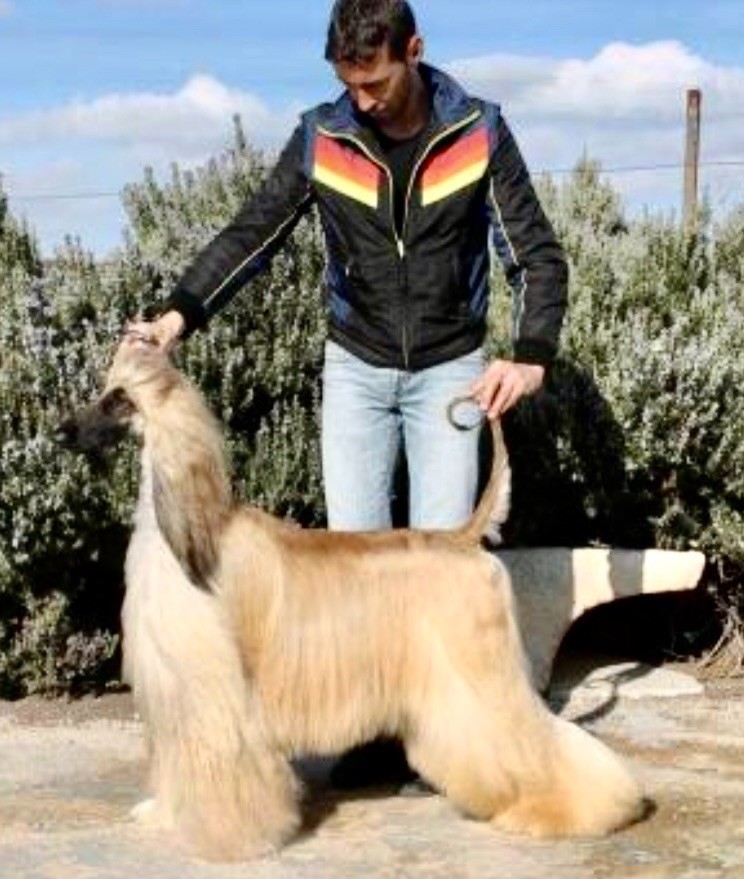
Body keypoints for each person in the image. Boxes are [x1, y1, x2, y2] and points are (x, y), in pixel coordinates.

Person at [129, 0, 568, 784]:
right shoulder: (323, 136)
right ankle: (370, 739)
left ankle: (450, 742)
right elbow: (251, 233)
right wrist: (176, 315)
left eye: (376, 82)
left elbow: (535, 254)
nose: (361, 100)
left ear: (414, 50)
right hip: (356, 369)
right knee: (353, 581)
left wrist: (531, 353)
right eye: (349, 84)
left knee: (437, 574)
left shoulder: (479, 131)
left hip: (449, 369)